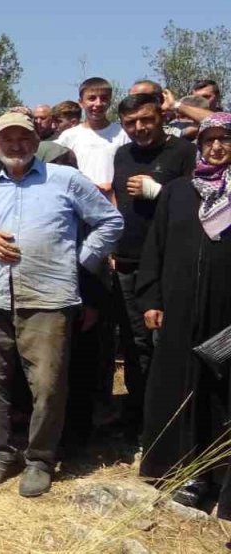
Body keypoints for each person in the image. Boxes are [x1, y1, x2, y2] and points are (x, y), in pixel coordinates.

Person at [0, 112, 122, 498]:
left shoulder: (64, 179)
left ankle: (40, 460)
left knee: (48, 385)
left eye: (23, 138)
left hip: (48, 299)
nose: (16, 145)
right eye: (7, 139)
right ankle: (2, 455)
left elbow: (111, 221)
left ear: (36, 143)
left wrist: (80, 261)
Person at [137, 112, 231, 517]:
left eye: (225, 139)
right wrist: (151, 299)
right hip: (178, 312)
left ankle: (220, 474)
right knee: (179, 388)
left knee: (220, 393)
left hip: (225, 316)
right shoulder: (178, 192)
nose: (217, 146)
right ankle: (182, 472)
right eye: (209, 139)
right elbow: (155, 248)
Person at [108, 93, 196, 437]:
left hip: (170, 264)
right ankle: (140, 416)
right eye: (130, 123)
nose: (139, 128)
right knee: (135, 345)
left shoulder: (184, 152)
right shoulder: (122, 154)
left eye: (146, 119)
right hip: (128, 263)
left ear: (161, 117)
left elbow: (198, 204)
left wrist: (160, 192)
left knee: (170, 343)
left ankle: (173, 420)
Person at [56, 78, 130, 194]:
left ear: (110, 102)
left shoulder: (123, 134)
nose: (98, 103)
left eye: (104, 98)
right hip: (78, 199)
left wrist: (113, 185)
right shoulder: (68, 136)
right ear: (81, 102)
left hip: (113, 199)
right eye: (92, 98)